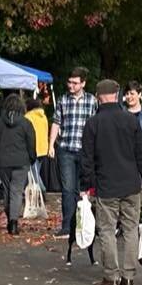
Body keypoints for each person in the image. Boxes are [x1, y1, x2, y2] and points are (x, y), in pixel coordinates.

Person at [80, 78, 142, 285]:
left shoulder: (93, 123)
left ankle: (110, 276)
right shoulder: (131, 121)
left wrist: (86, 185)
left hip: (106, 186)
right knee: (131, 230)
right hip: (131, 184)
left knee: (107, 230)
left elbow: (87, 159)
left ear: (98, 97)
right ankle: (128, 277)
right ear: (116, 95)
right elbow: (141, 153)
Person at [49, 67, 96, 239]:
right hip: (66, 149)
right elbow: (56, 122)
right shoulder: (63, 100)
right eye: (69, 82)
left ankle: (82, 224)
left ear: (83, 83)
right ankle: (67, 226)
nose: (71, 86)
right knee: (68, 189)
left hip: (84, 151)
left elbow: (95, 126)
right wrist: (51, 145)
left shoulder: (92, 101)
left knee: (82, 190)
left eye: (75, 83)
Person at [0, 94, 37, 235]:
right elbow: (31, 143)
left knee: (7, 191)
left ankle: (10, 219)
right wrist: (32, 158)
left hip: (2, 162)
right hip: (21, 161)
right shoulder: (26, 123)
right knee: (16, 191)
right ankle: (13, 222)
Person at [26, 87, 53, 188]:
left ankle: (42, 191)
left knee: (34, 174)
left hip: (34, 149)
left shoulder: (28, 117)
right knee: (36, 172)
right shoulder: (44, 116)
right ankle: (39, 192)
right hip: (43, 149)